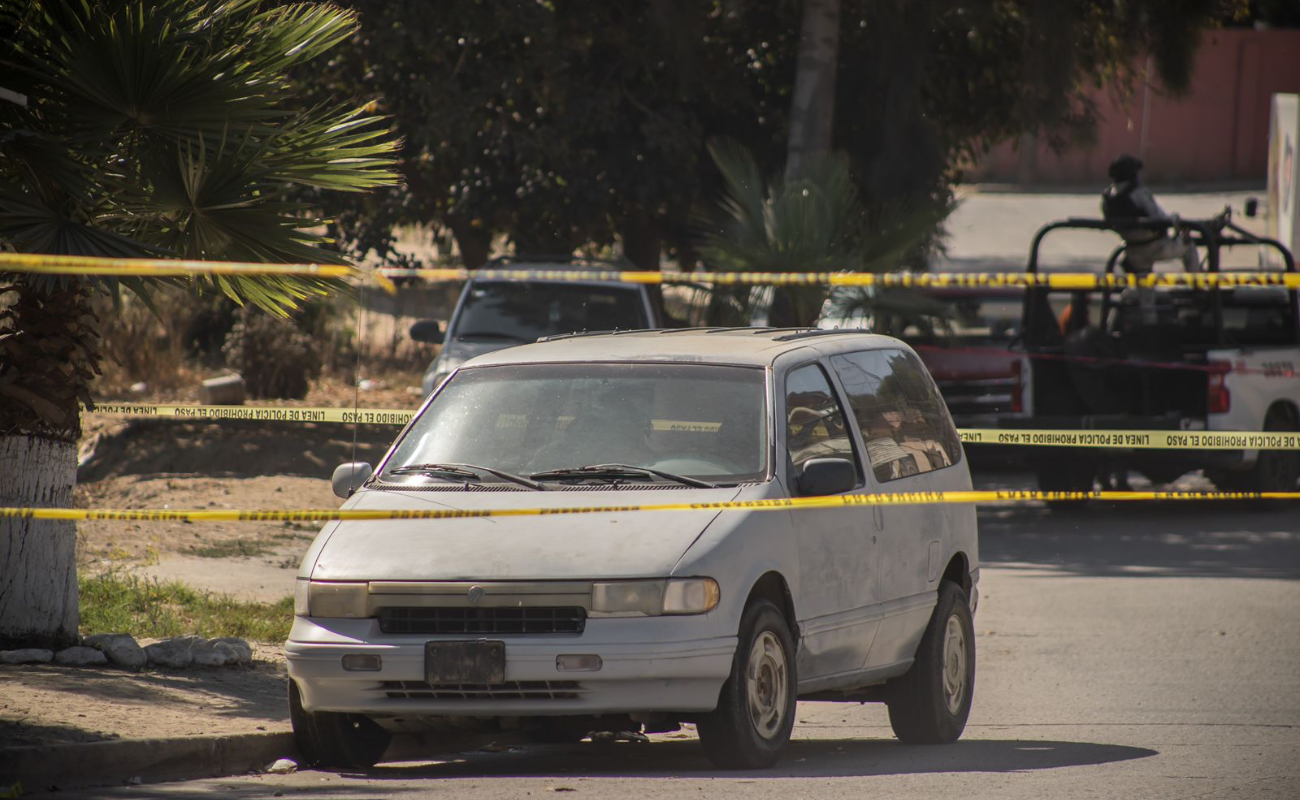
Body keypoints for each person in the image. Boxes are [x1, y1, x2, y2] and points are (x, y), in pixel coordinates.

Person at [1101, 154, 1200, 273]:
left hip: (1131, 250)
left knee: (1144, 289)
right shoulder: (1139, 194)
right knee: (1189, 246)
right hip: (1155, 247)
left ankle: (1142, 291)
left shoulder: (1108, 197)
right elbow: (1160, 218)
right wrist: (1175, 219)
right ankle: (1197, 286)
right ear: (1132, 174)